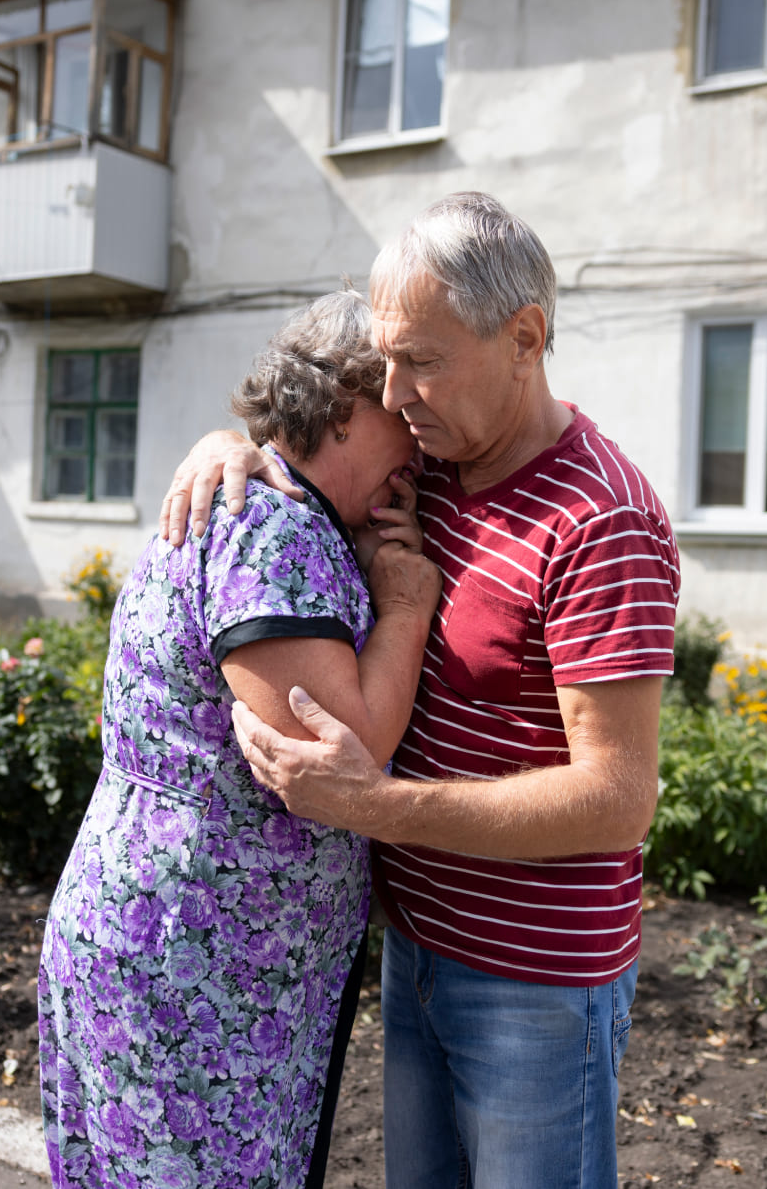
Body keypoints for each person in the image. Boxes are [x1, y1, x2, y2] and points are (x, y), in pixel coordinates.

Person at [159, 192, 683, 1189]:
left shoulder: (598, 519)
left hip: (533, 985)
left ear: (524, 336)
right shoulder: (435, 469)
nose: (392, 393)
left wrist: (372, 807)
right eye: (386, 360)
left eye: (420, 360)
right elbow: (308, 451)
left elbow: (620, 796)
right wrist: (226, 447)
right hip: (418, 951)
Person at [36, 289, 441, 1189]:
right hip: (200, 968)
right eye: (397, 411)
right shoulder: (272, 532)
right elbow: (347, 751)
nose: (416, 443)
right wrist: (409, 603)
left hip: (175, 942)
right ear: (341, 408)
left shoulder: (263, 502)